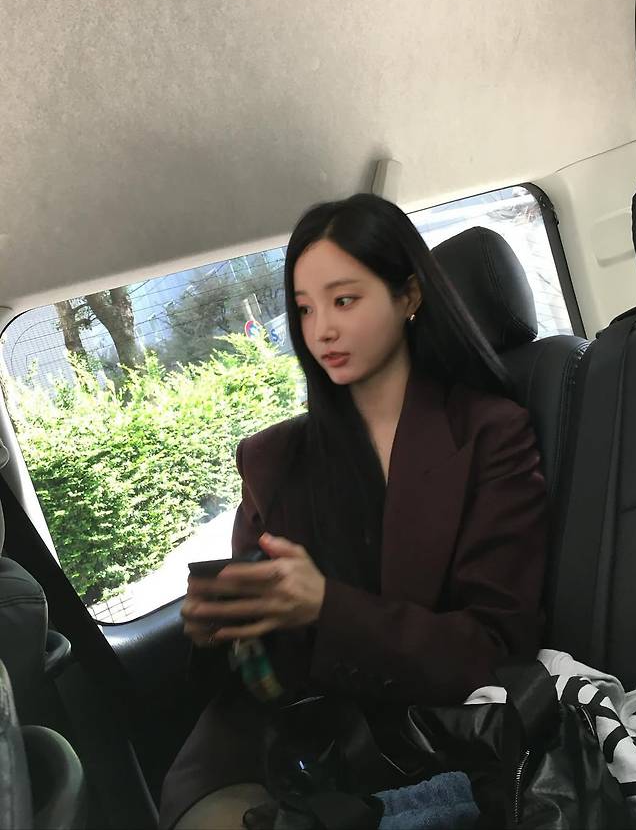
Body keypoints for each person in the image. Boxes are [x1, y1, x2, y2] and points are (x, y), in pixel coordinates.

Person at [159, 194, 548, 830]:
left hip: (414, 740)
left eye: (344, 301)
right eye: (305, 309)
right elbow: (254, 672)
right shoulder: (272, 459)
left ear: (409, 295)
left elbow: (497, 647)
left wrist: (326, 606)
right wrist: (224, 629)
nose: (321, 331)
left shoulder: (489, 435)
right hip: (275, 741)